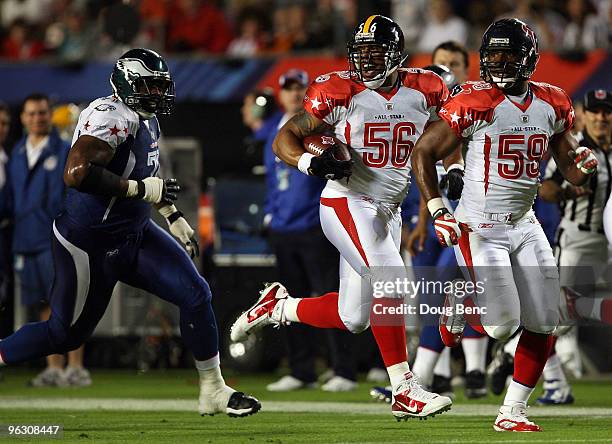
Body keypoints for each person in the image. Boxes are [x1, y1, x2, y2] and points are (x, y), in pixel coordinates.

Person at [0, 49, 260, 417]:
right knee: (64, 335)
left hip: (134, 234)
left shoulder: (146, 118)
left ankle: (213, 390)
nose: (156, 93)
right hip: (87, 242)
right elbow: (76, 173)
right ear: (125, 83)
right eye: (149, 85)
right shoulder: (111, 116)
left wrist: (172, 215)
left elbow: (146, 177)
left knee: (196, 294)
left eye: (160, 86)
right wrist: (140, 191)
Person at [232, 15, 454, 420]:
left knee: (354, 317)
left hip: (388, 208)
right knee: (390, 278)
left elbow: (444, 139)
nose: (367, 62)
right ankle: (403, 388)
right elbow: (287, 137)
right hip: (347, 200)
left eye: (376, 53)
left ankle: (280, 307)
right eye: (362, 53)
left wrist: (451, 172)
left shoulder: (426, 88)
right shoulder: (339, 90)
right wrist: (309, 164)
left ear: (398, 55)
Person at [411, 18, 598, 431]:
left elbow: (570, 166)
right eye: (492, 54)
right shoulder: (473, 101)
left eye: (507, 54)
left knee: (545, 319)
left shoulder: (553, 101)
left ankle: (512, 411)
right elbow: (423, 152)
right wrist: (439, 208)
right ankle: (460, 301)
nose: (498, 62)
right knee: (501, 324)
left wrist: (582, 164)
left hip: (524, 220)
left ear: (528, 59)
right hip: (478, 225)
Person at [263, 69, 357, 392]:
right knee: (292, 297)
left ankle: (343, 369)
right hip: (283, 228)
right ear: (280, 93)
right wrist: (270, 215)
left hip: (315, 226)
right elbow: (273, 183)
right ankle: (301, 369)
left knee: (331, 294)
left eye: (299, 88)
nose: (293, 94)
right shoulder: (275, 132)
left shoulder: (321, 128)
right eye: (287, 89)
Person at [408, 41, 489, 400]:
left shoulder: (477, 103)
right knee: (434, 296)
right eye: (441, 63)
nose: (447, 69)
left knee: (453, 290)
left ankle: (460, 370)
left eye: (454, 63)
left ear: (466, 68)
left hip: (473, 214)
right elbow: (426, 167)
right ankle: (440, 375)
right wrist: (423, 218)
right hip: (436, 210)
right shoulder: (422, 103)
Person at [0, 94, 92, 387]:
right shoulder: (15, 153)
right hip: (25, 240)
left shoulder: (64, 150)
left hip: (56, 237)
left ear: (50, 116)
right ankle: (54, 368)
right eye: (32, 114)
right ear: (23, 119)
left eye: (42, 113)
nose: (37, 118)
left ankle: (76, 367)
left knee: (67, 304)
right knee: (42, 305)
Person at [536, 88, 612, 404]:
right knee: (560, 321)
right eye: (594, 111)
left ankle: (521, 357)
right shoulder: (574, 147)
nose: (601, 117)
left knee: (565, 313)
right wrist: (568, 193)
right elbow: (546, 188)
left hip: (607, 246)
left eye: (606, 111)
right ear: (584, 114)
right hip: (577, 240)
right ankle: (546, 376)